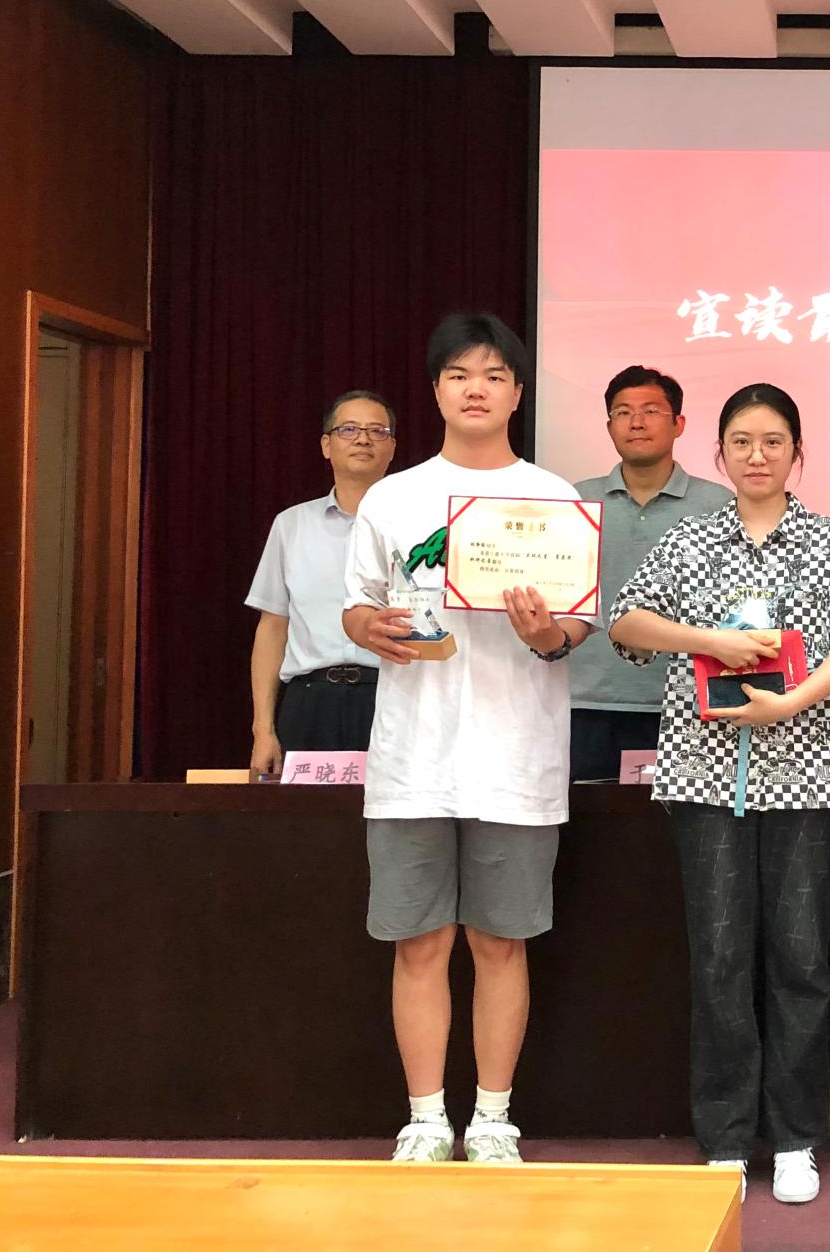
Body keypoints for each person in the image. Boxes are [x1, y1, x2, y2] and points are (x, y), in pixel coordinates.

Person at [607, 384, 830, 1207]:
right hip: (704, 776)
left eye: (774, 441)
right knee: (720, 959)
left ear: (798, 453)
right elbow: (625, 622)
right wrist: (708, 641)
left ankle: (795, 1137)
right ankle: (724, 1136)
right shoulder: (689, 538)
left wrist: (795, 703)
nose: (758, 456)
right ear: (718, 454)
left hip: (808, 776)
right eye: (742, 442)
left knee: (802, 960)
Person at [343, 313, 594, 1165]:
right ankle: (424, 1118)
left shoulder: (554, 498)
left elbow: (575, 627)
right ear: (437, 390)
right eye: (458, 374)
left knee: (500, 941)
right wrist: (368, 627)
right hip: (413, 756)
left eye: (493, 375)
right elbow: (357, 604)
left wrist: (546, 633)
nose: (475, 389)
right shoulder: (394, 497)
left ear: (518, 393)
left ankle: (492, 1118)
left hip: (517, 754)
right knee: (419, 942)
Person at [569, 365, 731, 781]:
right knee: (587, 819)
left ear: (679, 424)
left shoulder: (718, 505)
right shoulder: (576, 501)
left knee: (678, 823)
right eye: (623, 412)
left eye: (651, 411)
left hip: (687, 703)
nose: (636, 422)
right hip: (586, 702)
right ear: (609, 426)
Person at [246, 390, 396, 776]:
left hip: (393, 697)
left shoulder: (415, 527)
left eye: (377, 431)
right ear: (326, 445)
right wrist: (263, 730)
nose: (363, 439)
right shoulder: (291, 525)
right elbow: (272, 628)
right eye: (349, 429)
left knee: (390, 811)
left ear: (392, 448)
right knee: (307, 814)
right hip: (309, 702)